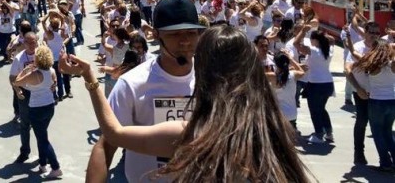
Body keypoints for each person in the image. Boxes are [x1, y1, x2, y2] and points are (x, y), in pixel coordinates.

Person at [59, 24, 310, 182]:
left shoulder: (192, 133)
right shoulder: (274, 130)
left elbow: (113, 133)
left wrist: (89, 78)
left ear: (204, 70)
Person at [85, 0, 205, 183]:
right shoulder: (131, 84)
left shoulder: (212, 80)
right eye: (174, 34)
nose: (185, 41)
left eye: (191, 33)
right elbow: (105, 145)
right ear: (156, 35)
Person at [12, 46, 62, 178]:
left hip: (36, 109)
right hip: (49, 107)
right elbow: (54, 83)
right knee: (42, 136)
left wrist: (25, 70)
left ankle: (55, 167)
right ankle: (43, 163)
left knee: (43, 139)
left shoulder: (34, 74)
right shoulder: (51, 70)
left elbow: (16, 82)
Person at [351, 40, 395, 172]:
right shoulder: (393, 64)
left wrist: (347, 37)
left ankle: (385, 162)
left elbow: (353, 52)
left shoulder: (371, 64)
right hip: (392, 100)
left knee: (377, 133)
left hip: (376, 101)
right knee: (387, 132)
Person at [294, 26, 335, 144]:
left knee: (314, 111)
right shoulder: (329, 50)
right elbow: (331, 40)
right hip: (328, 83)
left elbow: (296, 44)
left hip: (316, 84)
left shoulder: (314, 51)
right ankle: (329, 133)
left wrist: (302, 31)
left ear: (315, 40)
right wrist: (323, 35)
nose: (310, 41)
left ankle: (318, 134)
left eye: (311, 39)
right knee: (321, 109)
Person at [9, 32, 39, 164]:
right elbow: (12, 78)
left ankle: (43, 152)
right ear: (24, 43)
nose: (32, 45)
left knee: (40, 125)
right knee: (25, 125)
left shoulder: (42, 54)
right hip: (26, 94)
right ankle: (25, 151)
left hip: (40, 93)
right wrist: (17, 90)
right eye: (29, 42)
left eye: (34, 42)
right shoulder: (19, 58)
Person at [266, 51, 308, 131]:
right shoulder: (293, 75)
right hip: (292, 114)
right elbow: (302, 71)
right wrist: (290, 58)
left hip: (280, 115)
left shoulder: (273, 76)